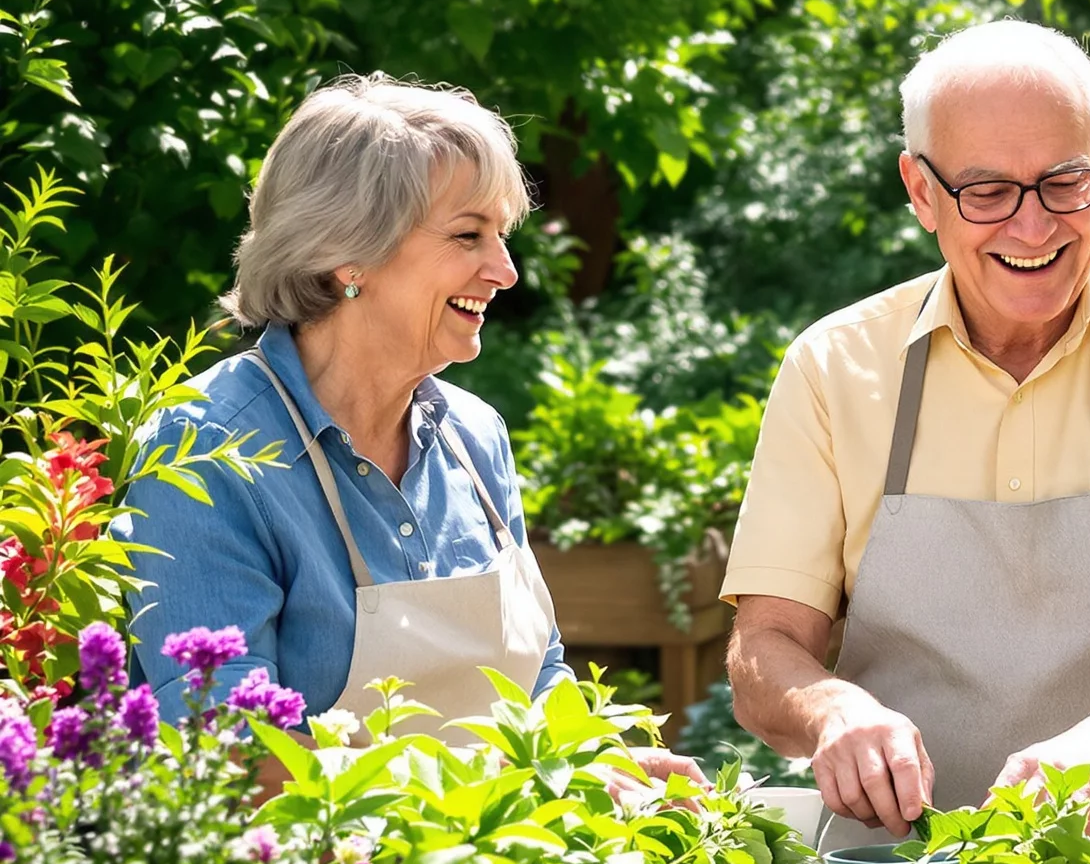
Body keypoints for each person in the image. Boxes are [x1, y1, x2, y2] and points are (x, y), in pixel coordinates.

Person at [722, 18, 1090, 842]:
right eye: (987, 192)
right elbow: (764, 647)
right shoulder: (833, 367)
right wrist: (828, 708)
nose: (1033, 229)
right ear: (920, 191)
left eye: (1065, 182)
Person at [125, 75, 689, 777]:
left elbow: (539, 682)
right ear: (346, 254)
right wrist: (496, 795)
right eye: (467, 235)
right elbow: (232, 755)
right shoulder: (207, 453)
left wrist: (608, 770)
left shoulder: (476, 437)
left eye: (501, 236)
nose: (506, 271)